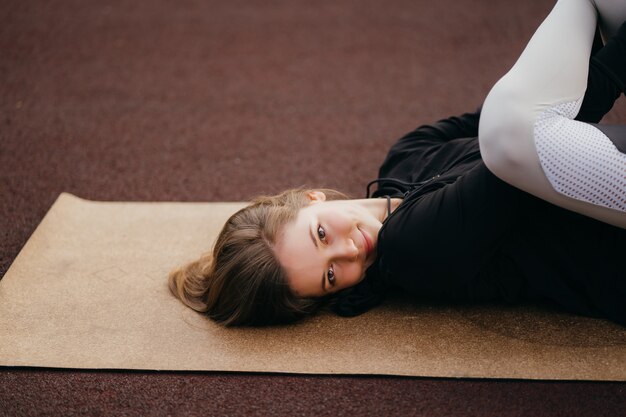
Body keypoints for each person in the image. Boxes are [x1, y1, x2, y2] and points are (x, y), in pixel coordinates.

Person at [169, 0, 626, 327]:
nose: (349, 252)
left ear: (310, 199)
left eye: (322, 235)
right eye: (331, 276)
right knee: (507, 135)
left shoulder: (406, 155)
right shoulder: (412, 252)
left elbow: (546, 100)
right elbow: (546, 137)